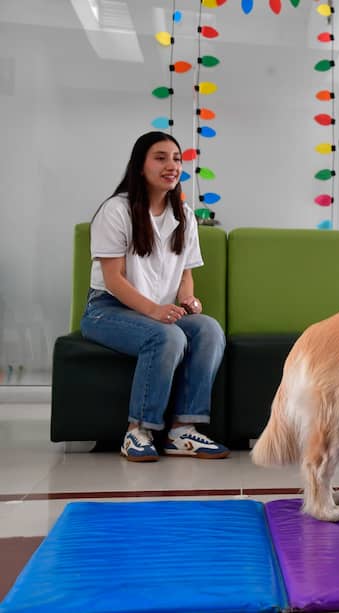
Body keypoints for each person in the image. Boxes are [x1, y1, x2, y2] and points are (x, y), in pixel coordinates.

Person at [81, 131, 229, 462]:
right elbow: (113, 280)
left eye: (176, 159)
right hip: (107, 310)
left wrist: (189, 302)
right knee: (167, 338)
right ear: (140, 166)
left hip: (158, 310)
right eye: (160, 158)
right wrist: (155, 312)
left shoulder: (184, 215)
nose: (171, 165)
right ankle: (138, 431)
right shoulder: (116, 211)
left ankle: (182, 430)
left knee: (208, 329)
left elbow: (186, 274)